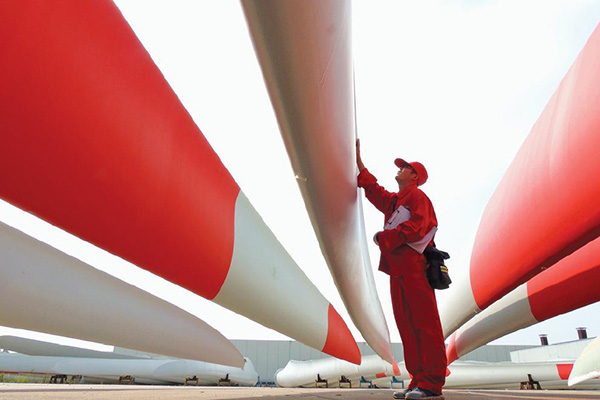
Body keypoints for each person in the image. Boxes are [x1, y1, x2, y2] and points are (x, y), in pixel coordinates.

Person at [356, 139, 446, 400]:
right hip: (398, 270)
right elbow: (374, 190)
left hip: (415, 268)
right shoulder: (396, 201)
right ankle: (418, 380)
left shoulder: (418, 197)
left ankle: (432, 384)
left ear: (415, 176)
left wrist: (382, 238)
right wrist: (359, 163)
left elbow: (418, 228)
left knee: (425, 325)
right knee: (407, 326)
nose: (400, 168)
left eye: (405, 167)